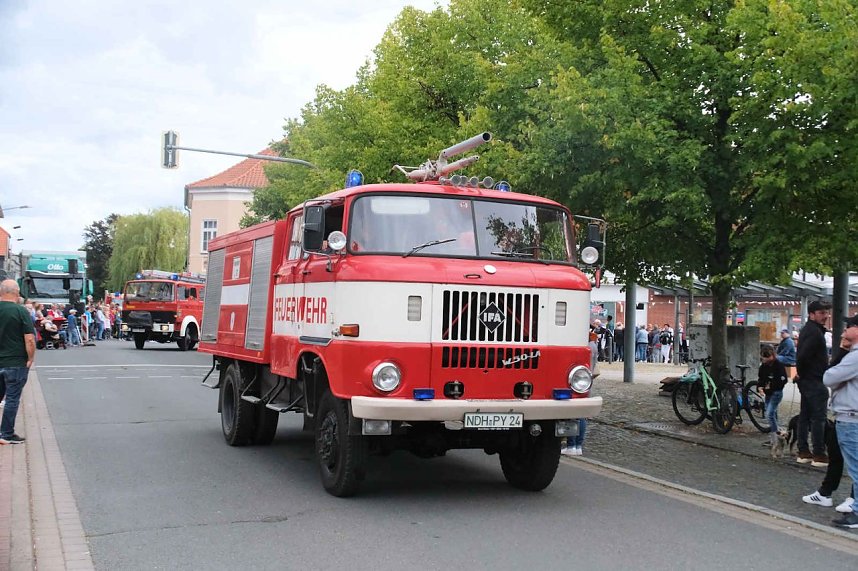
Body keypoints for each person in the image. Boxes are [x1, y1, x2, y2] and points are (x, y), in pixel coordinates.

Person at [822, 314, 858, 528]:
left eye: (850, 326)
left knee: (855, 467)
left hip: (851, 418)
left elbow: (828, 377)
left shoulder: (855, 356)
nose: (844, 331)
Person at [795, 300, 832, 467]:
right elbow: (803, 356)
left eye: (826, 313)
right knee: (818, 418)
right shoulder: (815, 333)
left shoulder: (808, 330)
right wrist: (805, 374)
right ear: (812, 314)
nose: (826, 316)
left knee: (805, 416)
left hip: (808, 379)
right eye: (822, 313)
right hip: (814, 380)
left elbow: (802, 357)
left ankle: (803, 451)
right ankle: (819, 454)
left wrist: (801, 376)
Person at [0, 279, 36, 445]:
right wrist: (30, 358)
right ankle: (6, 433)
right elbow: (29, 339)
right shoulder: (21, 311)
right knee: (12, 399)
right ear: (16, 292)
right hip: (15, 361)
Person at [758, 345, 788, 445]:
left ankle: (775, 437)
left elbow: (783, 380)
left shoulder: (778, 365)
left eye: (767, 356)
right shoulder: (763, 366)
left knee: (769, 414)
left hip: (776, 392)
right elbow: (761, 378)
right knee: (773, 414)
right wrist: (760, 387)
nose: (765, 359)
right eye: (764, 356)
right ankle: (774, 437)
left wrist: (771, 387)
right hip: (768, 393)